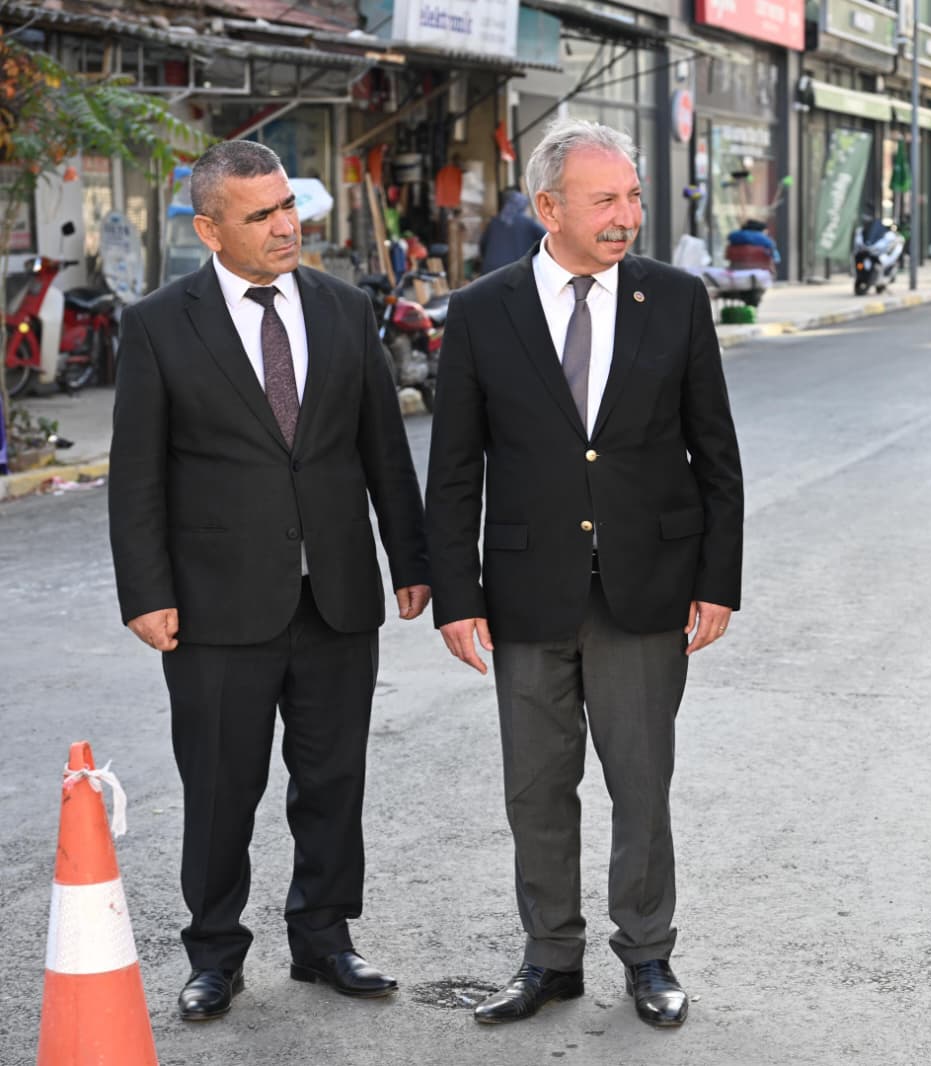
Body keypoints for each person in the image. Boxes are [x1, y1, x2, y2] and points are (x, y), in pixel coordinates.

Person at [425, 119, 743, 1030]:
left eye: (633, 197)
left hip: (645, 586)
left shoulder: (674, 299)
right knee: (535, 787)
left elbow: (715, 452)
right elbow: (454, 469)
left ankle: (647, 953)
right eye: (605, 200)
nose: (626, 217)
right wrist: (456, 597)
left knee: (640, 784)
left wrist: (717, 581)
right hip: (525, 588)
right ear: (547, 207)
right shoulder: (481, 310)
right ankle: (549, 957)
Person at [108, 140, 430, 1021]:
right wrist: (146, 592)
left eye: (288, 206)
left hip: (336, 596)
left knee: (332, 782)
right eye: (261, 215)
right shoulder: (159, 324)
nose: (287, 225)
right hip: (215, 604)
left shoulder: (342, 308)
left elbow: (382, 447)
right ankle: (214, 953)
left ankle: (324, 938)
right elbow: (136, 474)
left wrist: (410, 560)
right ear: (210, 230)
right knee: (220, 788)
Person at [480, 189, 548, 273]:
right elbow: (547, 239)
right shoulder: (528, 223)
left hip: (490, 271)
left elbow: (483, 245)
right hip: (514, 272)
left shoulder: (494, 222)